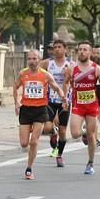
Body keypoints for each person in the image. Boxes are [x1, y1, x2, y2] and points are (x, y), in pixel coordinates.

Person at [14, 50, 64, 180]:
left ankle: (29, 169)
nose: (32, 61)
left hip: (40, 110)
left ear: (39, 60)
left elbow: (56, 88)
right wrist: (16, 103)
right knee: (24, 143)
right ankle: (49, 130)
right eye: (29, 59)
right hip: (25, 109)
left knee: (34, 141)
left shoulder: (45, 75)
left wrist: (64, 99)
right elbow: (15, 87)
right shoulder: (23, 74)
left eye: (34, 58)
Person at [67, 41, 100, 175]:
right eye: (80, 49)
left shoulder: (96, 69)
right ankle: (83, 133)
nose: (82, 52)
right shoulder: (72, 68)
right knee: (75, 133)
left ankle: (90, 163)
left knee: (92, 136)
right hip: (78, 105)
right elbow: (66, 83)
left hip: (92, 106)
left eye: (85, 50)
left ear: (90, 53)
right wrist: (64, 96)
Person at [39, 39, 70, 167]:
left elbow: (76, 78)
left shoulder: (70, 64)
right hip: (50, 99)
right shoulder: (48, 63)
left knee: (63, 131)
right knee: (46, 127)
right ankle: (53, 132)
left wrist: (69, 75)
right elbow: (35, 70)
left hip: (65, 101)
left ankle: (59, 155)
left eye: (59, 47)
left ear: (65, 49)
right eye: (55, 47)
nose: (57, 49)